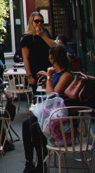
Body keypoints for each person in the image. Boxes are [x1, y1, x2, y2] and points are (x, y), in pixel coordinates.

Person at [22, 44, 74, 173]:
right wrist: (49, 76)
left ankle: (41, 164)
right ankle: (29, 162)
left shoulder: (66, 75)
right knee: (26, 123)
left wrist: (49, 77)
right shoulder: (58, 73)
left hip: (60, 118)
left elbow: (52, 95)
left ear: (51, 58)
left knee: (34, 127)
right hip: (51, 113)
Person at [21, 12, 55, 89]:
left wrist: (42, 36)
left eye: (41, 21)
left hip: (47, 68)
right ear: (31, 22)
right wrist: (29, 76)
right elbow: (25, 58)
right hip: (35, 70)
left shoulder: (45, 33)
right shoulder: (27, 37)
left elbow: (54, 47)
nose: (39, 23)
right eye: (36, 21)